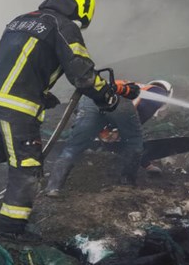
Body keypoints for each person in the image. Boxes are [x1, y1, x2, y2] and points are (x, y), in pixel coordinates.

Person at [0, 0, 120, 240]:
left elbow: (21, 61)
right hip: (17, 104)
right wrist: (107, 97)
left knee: (8, 149)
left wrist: (41, 94)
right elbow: (83, 75)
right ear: (82, 5)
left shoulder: (22, 20)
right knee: (27, 166)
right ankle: (10, 231)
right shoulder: (64, 26)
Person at [45, 79, 173, 195]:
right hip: (119, 101)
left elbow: (83, 112)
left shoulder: (135, 85)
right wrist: (118, 131)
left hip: (91, 98)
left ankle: (53, 187)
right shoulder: (159, 92)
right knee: (134, 142)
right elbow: (135, 125)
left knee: (74, 145)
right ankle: (126, 185)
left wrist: (105, 130)